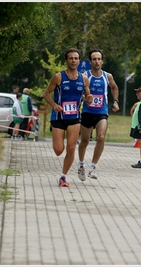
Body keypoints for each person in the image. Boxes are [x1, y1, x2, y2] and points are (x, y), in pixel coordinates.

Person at [43, 48, 93, 187]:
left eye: (76, 58)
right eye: (71, 58)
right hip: (58, 117)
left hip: (74, 117)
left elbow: (87, 96)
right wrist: (54, 104)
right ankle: (56, 135)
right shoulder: (59, 77)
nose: (73, 61)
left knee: (71, 148)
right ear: (66, 60)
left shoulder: (83, 78)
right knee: (59, 150)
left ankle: (63, 177)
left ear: (79, 61)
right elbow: (46, 93)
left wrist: (89, 99)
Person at [77, 49, 119, 181]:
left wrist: (116, 101)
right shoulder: (85, 76)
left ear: (102, 61)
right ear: (90, 62)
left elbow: (114, 87)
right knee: (85, 141)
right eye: (94, 59)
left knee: (101, 137)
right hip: (88, 112)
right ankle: (81, 164)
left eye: (99, 59)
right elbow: (78, 91)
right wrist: (84, 98)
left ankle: (93, 167)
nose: (97, 61)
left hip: (102, 112)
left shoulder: (108, 76)